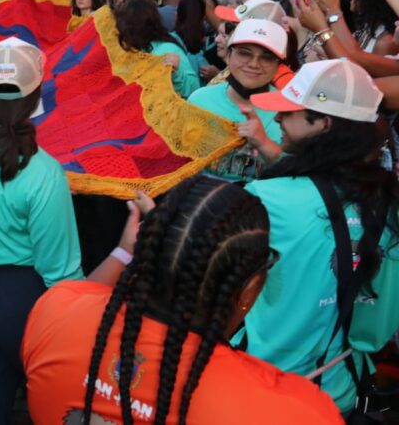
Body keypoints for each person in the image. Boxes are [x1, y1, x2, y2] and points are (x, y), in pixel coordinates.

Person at [22, 176, 344, 424]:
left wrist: (125, 252)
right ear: (248, 291)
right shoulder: (296, 411)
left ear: (147, 252)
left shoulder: (53, 313)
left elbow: (78, 295)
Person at [0, 36, 143, 424]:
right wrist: (125, 248)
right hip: (22, 303)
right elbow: (65, 285)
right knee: (59, 405)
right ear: (37, 97)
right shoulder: (44, 174)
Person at [244, 59, 399, 411]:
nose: (277, 119)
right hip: (338, 390)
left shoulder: (267, 198)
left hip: (262, 387)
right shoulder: (388, 205)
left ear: (324, 123)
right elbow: (375, 331)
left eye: (289, 111)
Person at [187, 18, 287, 183]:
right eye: (244, 53)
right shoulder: (199, 100)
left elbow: (299, 177)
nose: (254, 64)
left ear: (278, 66)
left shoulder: (289, 112)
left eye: (267, 57)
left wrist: (264, 143)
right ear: (228, 55)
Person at [114, 0, 199, 98]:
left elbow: (194, 88)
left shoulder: (167, 49)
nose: (117, 31)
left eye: (121, 25)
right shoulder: (131, 51)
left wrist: (175, 74)